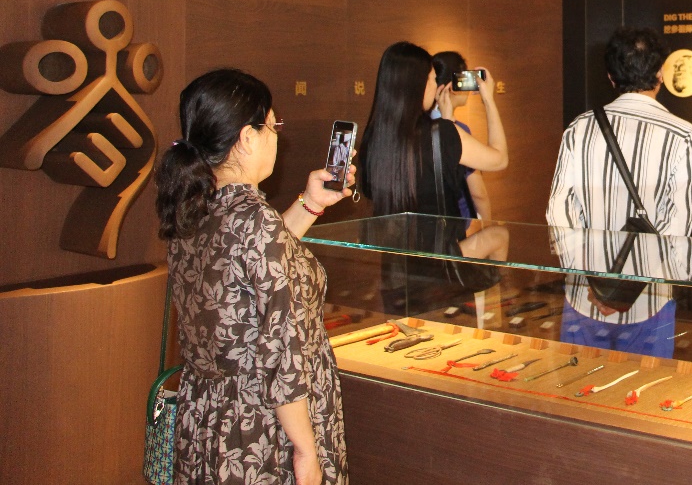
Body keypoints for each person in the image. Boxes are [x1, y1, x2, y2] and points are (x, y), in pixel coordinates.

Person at [155, 68, 352, 485]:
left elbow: (256, 266)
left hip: (211, 416)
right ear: (247, 137)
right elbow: (281, 352)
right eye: (272, 126)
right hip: (262, 428)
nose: (277, 136)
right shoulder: (254, 220)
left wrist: (311, 203)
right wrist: (305, 450)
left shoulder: (195, 207)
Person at [546, 27, 692, 356]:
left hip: (584, 298)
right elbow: (677, 227)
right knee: (645, 387)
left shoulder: (579, 128)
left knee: (578, 385)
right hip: (649, 301)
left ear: (611, 77)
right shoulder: (683, 134)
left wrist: (596, 284)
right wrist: (624, 292)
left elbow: (559, 210)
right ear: (660, 73)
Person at [359, 41, 509, 262]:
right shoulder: (443, 134)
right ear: (418, 85)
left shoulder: (374, 137)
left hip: (397, 265)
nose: (434, 84)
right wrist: (488, 99)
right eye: (431, 78)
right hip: (440, 263)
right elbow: (499, 158)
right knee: (500, 234)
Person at [429, 50, 493, 224]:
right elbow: (478, 193)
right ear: (453, 86)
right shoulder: (458, 130)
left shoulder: (422, 124)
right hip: (459, 223)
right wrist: (487, 226)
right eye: (465, 79)